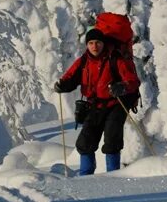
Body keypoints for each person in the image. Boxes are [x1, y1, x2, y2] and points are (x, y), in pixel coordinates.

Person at [54, 28, 140, 175]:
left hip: (116, 104)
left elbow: (133, 81)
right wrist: (62, 85)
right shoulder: (83, 61)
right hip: (95, 104)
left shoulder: (115, 59)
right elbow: (70, 78)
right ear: (87, 45)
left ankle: (113, 175)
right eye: (91, 43)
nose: (95, 46)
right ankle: (86, 177)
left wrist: (122, 87)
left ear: (103, 44)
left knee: (112, 140)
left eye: (98, 43)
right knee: (85, 142)